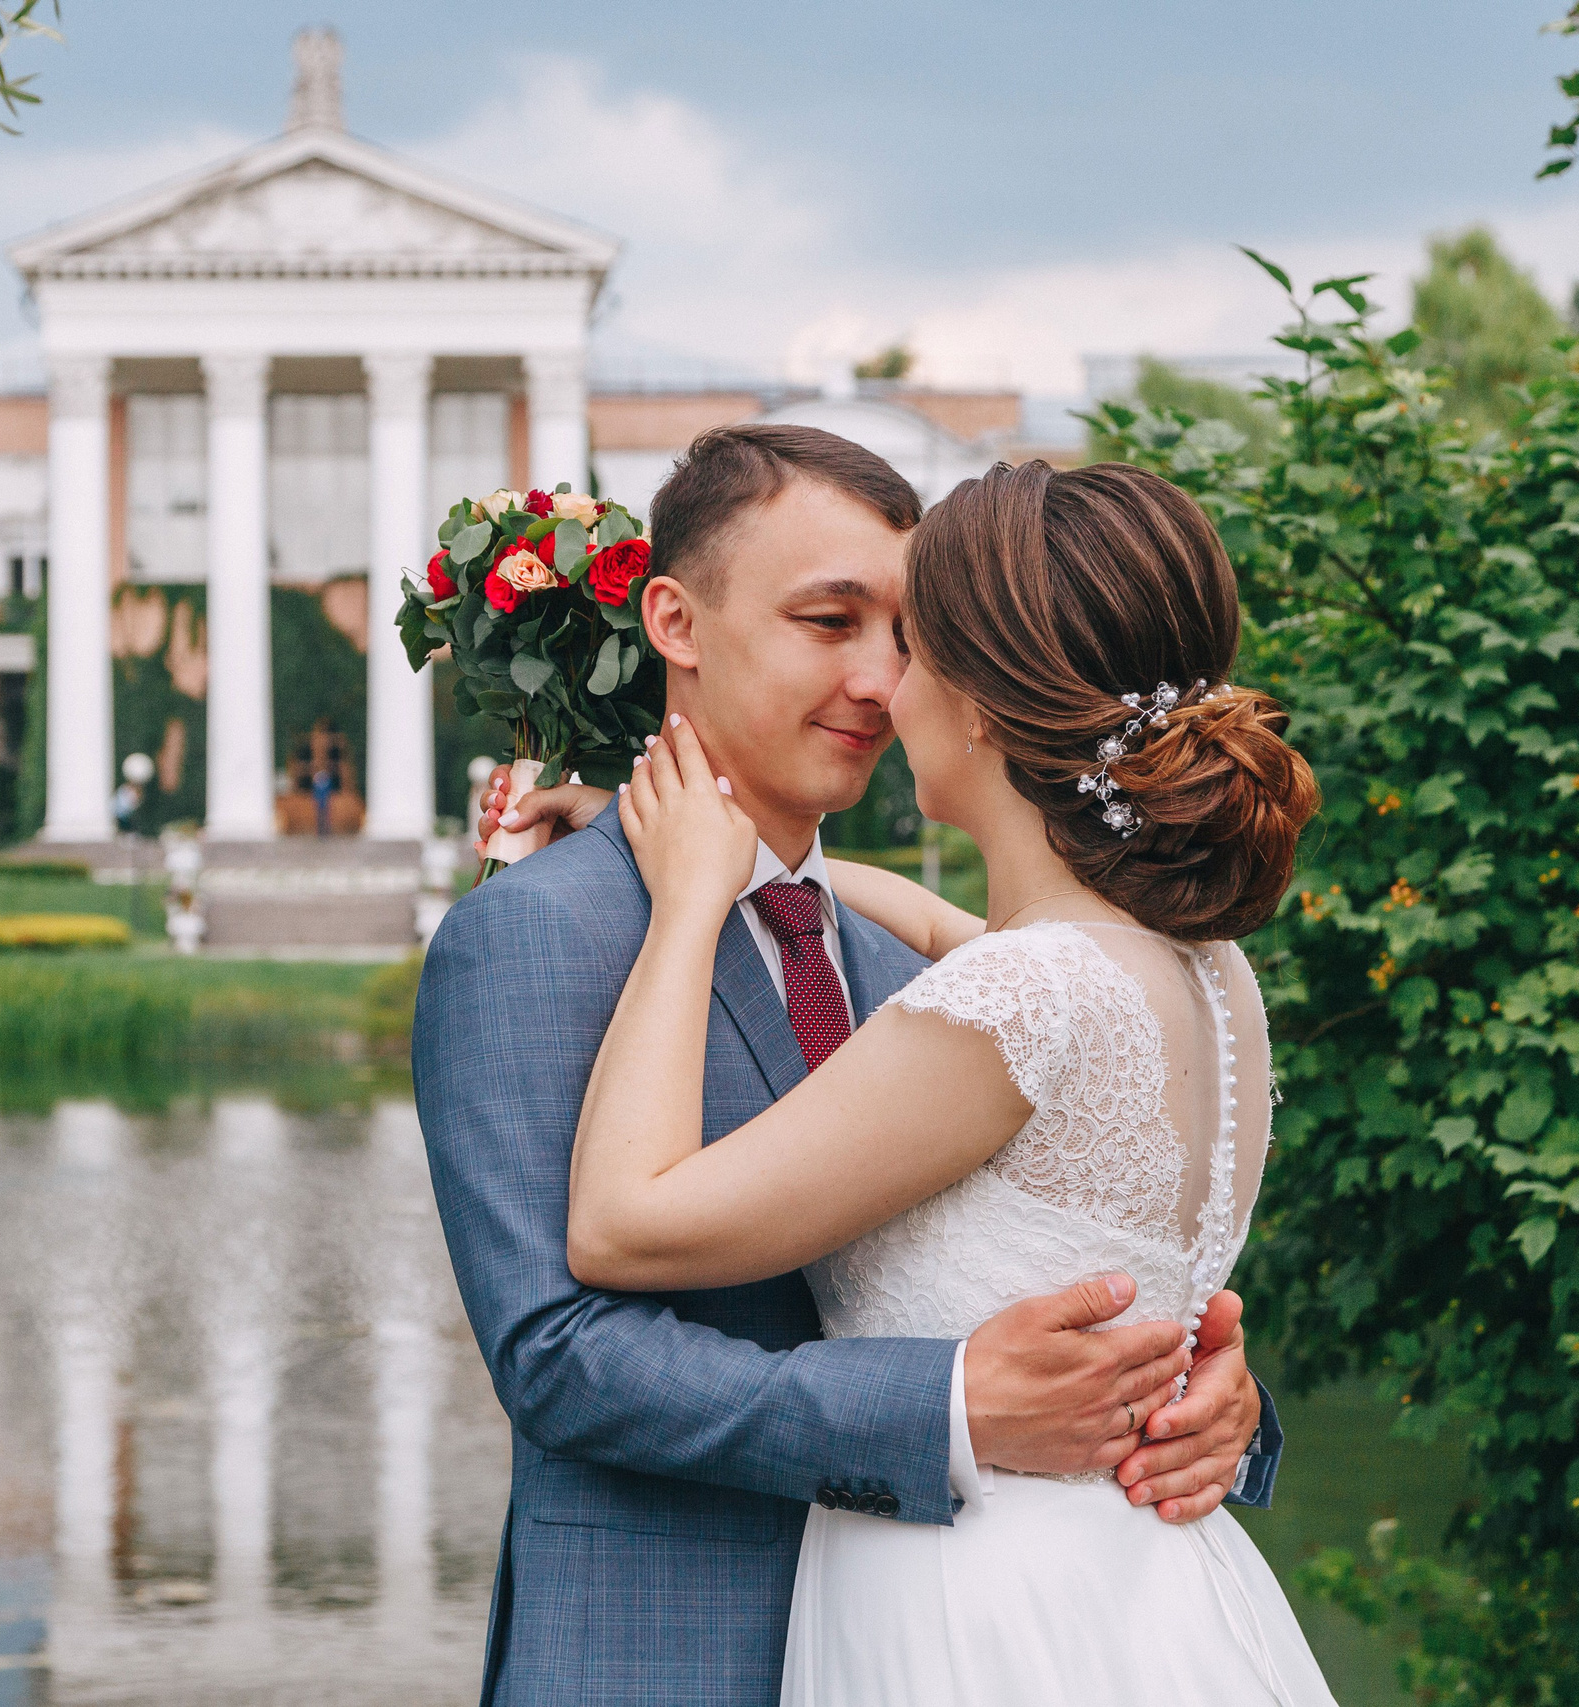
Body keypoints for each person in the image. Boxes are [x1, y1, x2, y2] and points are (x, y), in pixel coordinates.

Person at [414, 427, 1283, 1707]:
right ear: (674, 620)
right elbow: (558, 1354)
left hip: (979, 1646)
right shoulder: (533, 939)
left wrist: (1208, 1407)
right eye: (832, 621)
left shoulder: (950, 971)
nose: (880, 680)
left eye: (909, 636)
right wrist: (943, 1409)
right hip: (671, 1661)